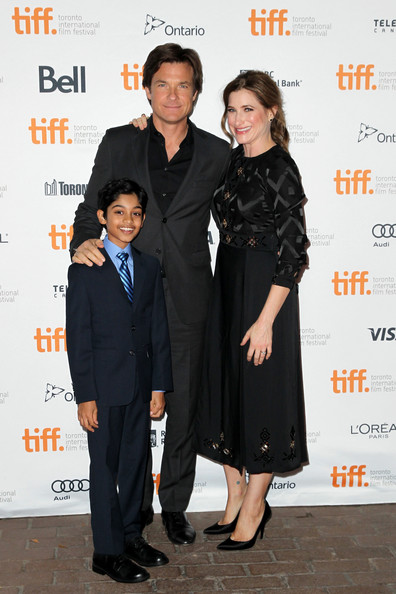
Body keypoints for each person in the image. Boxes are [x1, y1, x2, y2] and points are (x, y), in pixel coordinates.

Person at [70, 43, 229, 544]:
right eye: (163, 83)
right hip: (126, 302)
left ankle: (175, 507)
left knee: (179, 411)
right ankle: (133, 512)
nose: (173, 93)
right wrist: (82, 245)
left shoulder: (218, 153)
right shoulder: (121, 140)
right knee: (133, 410)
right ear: (147, 89)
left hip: (187, 302)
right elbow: (88, 207)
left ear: (197, 93)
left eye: (183, 84)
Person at [195, 70, 308, 550]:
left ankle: (256, 506)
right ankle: (235, 493)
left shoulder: (281, 167)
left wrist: (265, 321)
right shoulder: (232, 161)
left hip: (266, 292)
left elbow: (295, 252)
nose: (238, 119)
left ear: (271, 112)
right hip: (228, 284)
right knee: (225, 389)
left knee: (260, 393)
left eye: (248, 109)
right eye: (232, 109)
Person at [66, 178, 173, 583]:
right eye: (118, 212)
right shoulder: (85, 269)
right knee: (104, 468)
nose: (127, 220)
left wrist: (159, 385)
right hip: (103, 388)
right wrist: (85, 395)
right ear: (101, 218)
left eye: (135, 213)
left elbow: (157, 330)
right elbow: (78, 339)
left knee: (135, 465)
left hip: (140, 386)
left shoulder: (148, 266)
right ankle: (106, 551)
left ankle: (131, 537)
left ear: (143, 220)